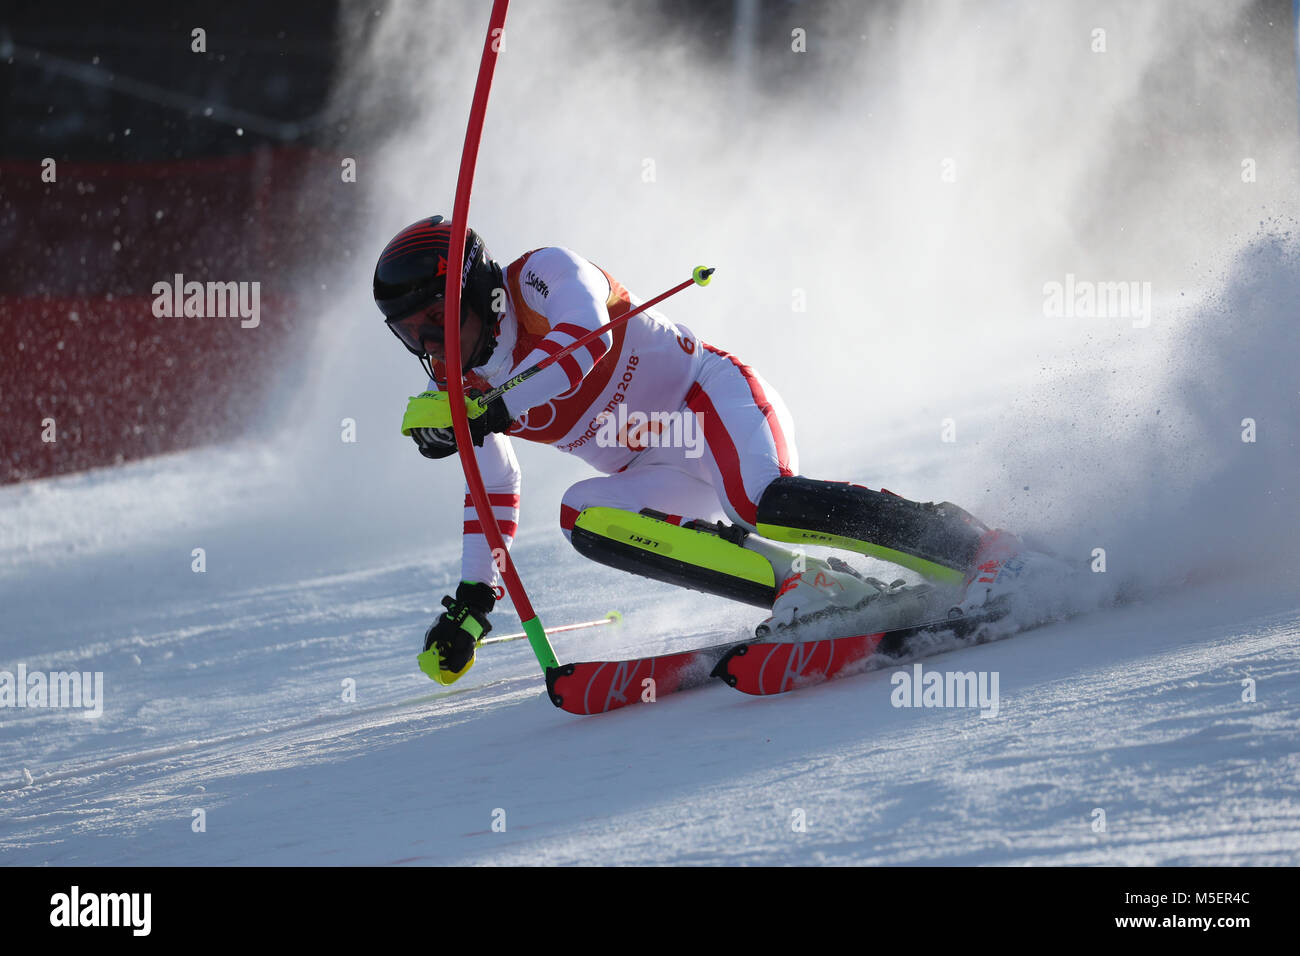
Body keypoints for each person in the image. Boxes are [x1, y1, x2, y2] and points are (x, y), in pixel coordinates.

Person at [375, 216, 1028, 685]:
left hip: (706, 400)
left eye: (437, 319)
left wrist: (496, 409)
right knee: (582, 513)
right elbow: (491, 488)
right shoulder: (456, 383)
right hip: (647, 466)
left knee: (759, 501)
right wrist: (472, 603)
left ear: (480, 292)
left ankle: (975, 546)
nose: (434, 345)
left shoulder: (543, 273)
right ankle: (807, 584)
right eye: (413, 335)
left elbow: (585, 341)